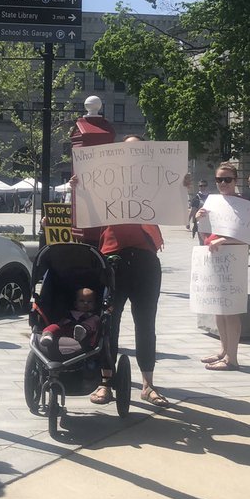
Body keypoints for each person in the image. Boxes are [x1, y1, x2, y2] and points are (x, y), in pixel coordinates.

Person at [71, 136, 171, 407]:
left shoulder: (154, 180)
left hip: (146, 261)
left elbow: (171, 204)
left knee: (146, 323)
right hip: (112, 260)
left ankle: (148, 384)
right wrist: (78, 192)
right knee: (108, 324)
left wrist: (182, 189)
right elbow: (88, 218)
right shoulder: (106, 181)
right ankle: (106, 381)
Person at [195, 163, 248, 372]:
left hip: (233, 258)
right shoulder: (212, 202)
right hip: (215, 257)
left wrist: (224, 241)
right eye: (219, 180)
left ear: (236, 180)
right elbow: (205, 235)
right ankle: (224, 350)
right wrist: (200, 220)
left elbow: (248, 236)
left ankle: (232, 358)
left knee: (231, 309)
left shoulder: (243, 203)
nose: (223, 183)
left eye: (227, 179)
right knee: (219, 308)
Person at [38, 287, 100, 354]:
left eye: (89, 301)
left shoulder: (94, 316)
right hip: (66, 328)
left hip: (85, 333)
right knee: (54, 326)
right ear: (76, 304)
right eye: (82, 301)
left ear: (95, 305)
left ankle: (81, 332)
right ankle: (47, 335)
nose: (85, 303)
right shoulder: (70, 312)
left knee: (93, 321)